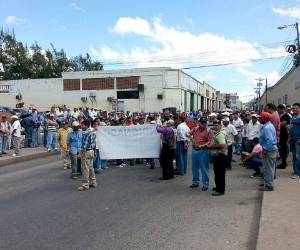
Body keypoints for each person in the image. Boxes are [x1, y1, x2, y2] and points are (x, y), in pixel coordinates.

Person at [189, 117, 213, 191]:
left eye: (204, 123)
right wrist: (192, 140)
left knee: (204, 168)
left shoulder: (209, 130)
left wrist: (203, 145)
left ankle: (205, 183)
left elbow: (210, 141)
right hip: (195, 150)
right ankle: (195, 182)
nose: (203, 124)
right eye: (202, 123)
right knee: (194, 167)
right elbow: (188, 133)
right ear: (199, 122)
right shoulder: (195, 129)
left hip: (203, 151)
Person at [207, 120, 227, 196]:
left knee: (220, 174)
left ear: (220, 125)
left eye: (216, 125)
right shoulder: (218, 133)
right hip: (217, 155)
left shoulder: (220, 134)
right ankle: (218, 187)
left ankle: (221, 190)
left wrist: (211, 146)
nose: (214, 126)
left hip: (220, 156)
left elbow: (222, 145)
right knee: (217, 173)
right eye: (214, 125)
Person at [259, 112, 278, 191]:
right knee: (269, 167)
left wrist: (265, 149)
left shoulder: (267, 127)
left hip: (269, 149)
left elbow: (269, 140)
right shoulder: (268, 125)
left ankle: (269, 185)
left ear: (264, 118)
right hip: (270, 149)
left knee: (268, 168)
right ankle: (267, 182)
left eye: (260, 118)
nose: (259, 119)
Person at [78, 120, 97, 191]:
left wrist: (80, 153)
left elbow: (84, 146)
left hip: (86, 152)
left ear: (86, 126)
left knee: (85, 169)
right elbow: (94, 143)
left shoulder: (86, 133)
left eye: (82, 125)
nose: (81, 126)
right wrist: (95, 152)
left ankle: (85, 185)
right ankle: (93, 182)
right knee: (91, 168)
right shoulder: (92, 133)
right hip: (91, 151)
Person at [277, 104, 291, 169]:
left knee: (284, 149)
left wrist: (279, 123)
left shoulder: (286, 116)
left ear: (281, 109)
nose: (278, 111)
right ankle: (283, 163)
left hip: (285, 135)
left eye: (279, 109)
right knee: (282, 149)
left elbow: (283, 123)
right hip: (281, 135)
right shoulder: (281, 116)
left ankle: (284, 163)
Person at [290, 103, 300, 179]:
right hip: (292, 139)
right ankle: (295, 171)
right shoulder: (293, 117)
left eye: (296, 108)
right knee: (294, 156)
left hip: (298, 140)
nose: (294, 109)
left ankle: (298, 173)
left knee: (297, 156)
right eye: (293, 108)